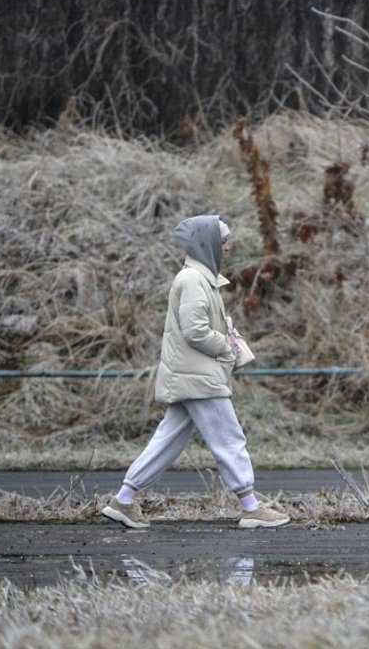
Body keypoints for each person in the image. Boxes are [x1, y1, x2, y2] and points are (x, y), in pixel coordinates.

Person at [102, 214, 290, 529]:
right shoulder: (193, 280)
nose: (228, 248)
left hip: (189, 376)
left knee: (167, 440)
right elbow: (195, 330)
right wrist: (226, 347)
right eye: (224, 241)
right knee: (230, 439)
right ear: (209, 244)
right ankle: (251, 507)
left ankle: (124, 500)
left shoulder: (198, 279)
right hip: (199, 379)